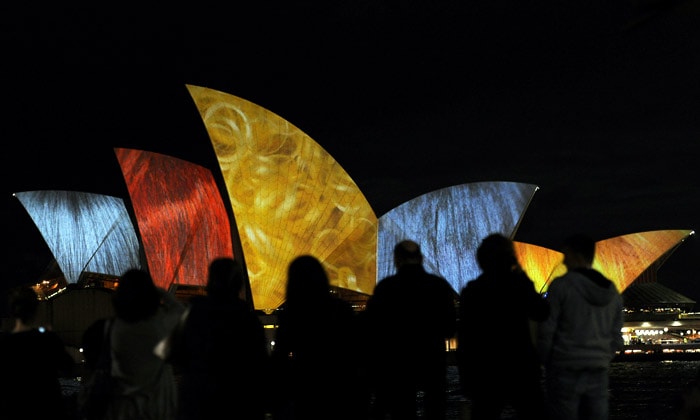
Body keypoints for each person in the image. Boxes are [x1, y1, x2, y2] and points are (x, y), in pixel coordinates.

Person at [457, 233, 550, 419]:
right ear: (510, 258)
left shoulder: (473, 291)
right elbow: (542, 312)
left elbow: (466, 338)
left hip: (486, 370)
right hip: (520, 366)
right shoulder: (519, 285)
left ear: (481, 260)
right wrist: (522, 275)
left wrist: (466, 377)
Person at [362, 239, 457, 420]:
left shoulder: (386, 288)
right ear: (420, 258)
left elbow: (373, 328)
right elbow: (449, 327)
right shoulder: (438, 286)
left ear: (396, 259)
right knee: (435, 408)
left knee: (403, 409)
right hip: (432, 359)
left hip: (399, 362)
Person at [166, 257, 270, 420]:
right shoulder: (248, 321)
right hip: (239, 405)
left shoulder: (194, 315)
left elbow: (174, 353)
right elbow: (260, 366)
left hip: (199, 405)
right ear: (238, 284)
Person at [537, 233, 624, 420]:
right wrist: (604, 357)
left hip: (565, 367)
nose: (564, 261)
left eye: (566, 255)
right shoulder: (612, 291)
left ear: (576, 255)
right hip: (598, 369)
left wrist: (546, 360)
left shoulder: (561, 286)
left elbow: (547, 329)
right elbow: (617, 335)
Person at [270, 254, 364, 420]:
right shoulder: (342, 309)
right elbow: (356, 350)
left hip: (306, 389)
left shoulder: (293, 314)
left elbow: (280, 356)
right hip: (341, 386)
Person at [101, 268, 186, 420]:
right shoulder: (159, 326)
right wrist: (160, 292)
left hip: (124, 408)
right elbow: (180, 311)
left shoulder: (112, 327)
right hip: (156, 407)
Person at [0, 285, 77, 420]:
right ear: (35, 309)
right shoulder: (47, 339)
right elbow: (69, 368)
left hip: (14, 410)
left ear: (12, 311)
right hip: (47, 408)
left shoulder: (4, 344)